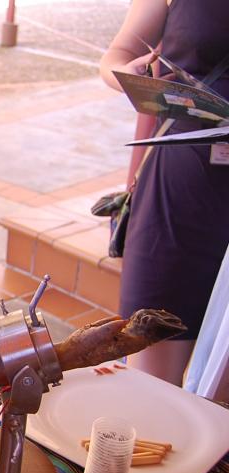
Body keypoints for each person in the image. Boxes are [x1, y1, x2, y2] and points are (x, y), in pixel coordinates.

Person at [99, 0, 229, 385]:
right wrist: (125, 73)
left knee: (217, 394)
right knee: (149, 371)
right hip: (181, 189)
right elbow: (118, 54)